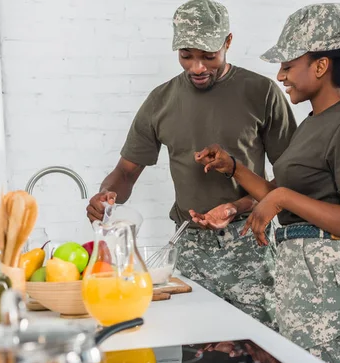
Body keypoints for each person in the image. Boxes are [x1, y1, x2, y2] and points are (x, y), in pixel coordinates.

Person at [194, 2, 340, 363]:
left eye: (288, 65)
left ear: (320, 65)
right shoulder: (313, 122)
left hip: (329, 277)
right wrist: (234, 167)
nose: (281, 75)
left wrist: (280, 200)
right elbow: (280, 193)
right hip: (302, 274)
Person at [86, 0, 297, 329]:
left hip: (250, 244)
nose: (197, 67)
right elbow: (126, 172)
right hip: (189, 248)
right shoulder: (161, 100)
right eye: (186, 55)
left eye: (208, 56)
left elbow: (288, 184)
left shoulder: (263, 93)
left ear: (227, 42)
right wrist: (105, 197)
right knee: (197, 362)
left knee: (259, 358)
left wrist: (236, 206)